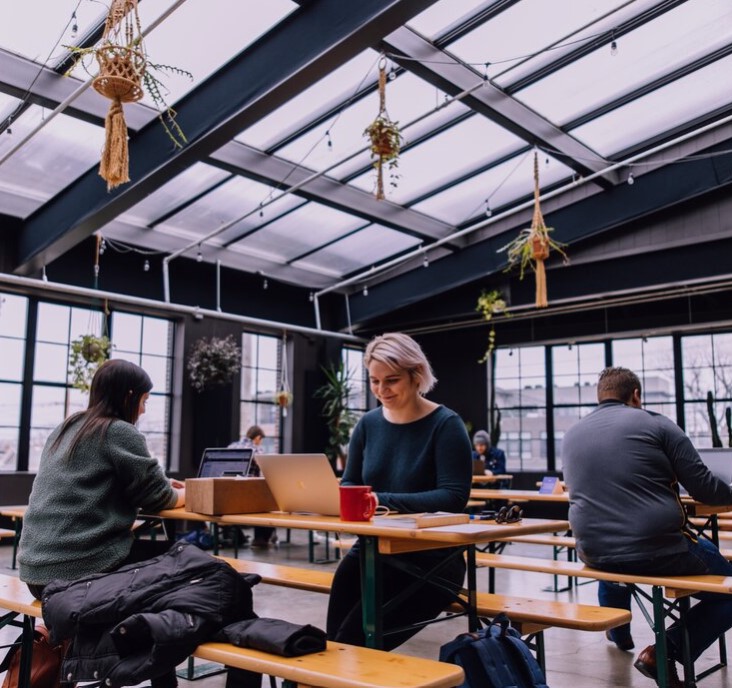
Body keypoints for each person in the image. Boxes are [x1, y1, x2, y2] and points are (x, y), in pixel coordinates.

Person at [18, 359, 185, 688]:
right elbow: (159, 498)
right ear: (129, 396)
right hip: (77, 571)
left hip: (34, 572)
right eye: (144, 401)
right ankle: (160, 680)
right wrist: (186, 492)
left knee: (157, 578)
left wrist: (161, 487)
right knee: (179, 565)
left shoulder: (67, 428)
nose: (144, 410)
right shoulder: (119, 431)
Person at [562, 366, 732, 688]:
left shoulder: (572, 434)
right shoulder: (656, 424)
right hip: (658, 549)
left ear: (600, 396)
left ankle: (619, 632)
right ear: (636, 395)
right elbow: (705, 489)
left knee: (615, 550)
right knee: (729, 591)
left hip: (592, 552)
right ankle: (664, 651)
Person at [326, 332, 472, 650]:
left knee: (355, 643)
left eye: (391, 380)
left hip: (430, 559)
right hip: (370, 552)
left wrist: (380, 501)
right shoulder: (367, 425)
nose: (381, 390)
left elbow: (453, 498)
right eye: (374, 381)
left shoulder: (446, 425)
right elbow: (350, 482)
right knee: (331, 644)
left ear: (416, 375)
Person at [229, 425, 275, 547]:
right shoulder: (255, 449)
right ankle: (260, 539)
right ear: (258, 438)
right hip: (247, 492)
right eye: (261, 440)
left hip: (229, 492)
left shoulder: (232, 446)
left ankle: (236, 537)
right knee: (269, 504)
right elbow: (266, 468)